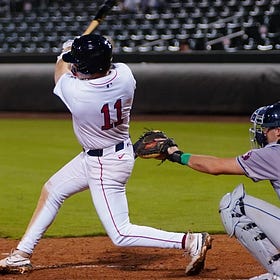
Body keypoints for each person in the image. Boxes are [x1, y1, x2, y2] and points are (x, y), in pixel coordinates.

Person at [0, 34, 212, 276]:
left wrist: (65, 50)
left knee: (121, 234)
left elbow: (61, 71)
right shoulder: (124, 74)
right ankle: (21, 255)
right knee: (53, 190)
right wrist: (84, 48)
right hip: (107, 154)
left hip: (105, 164)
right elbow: (101, 54)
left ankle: (190, 241)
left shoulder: (79, 94)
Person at [166, 101, 280, 280]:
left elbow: (216, 166)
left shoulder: (272, 153)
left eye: (266, 129)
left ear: (278, 131)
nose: (262, 133)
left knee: (233, 205)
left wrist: (176, 155)